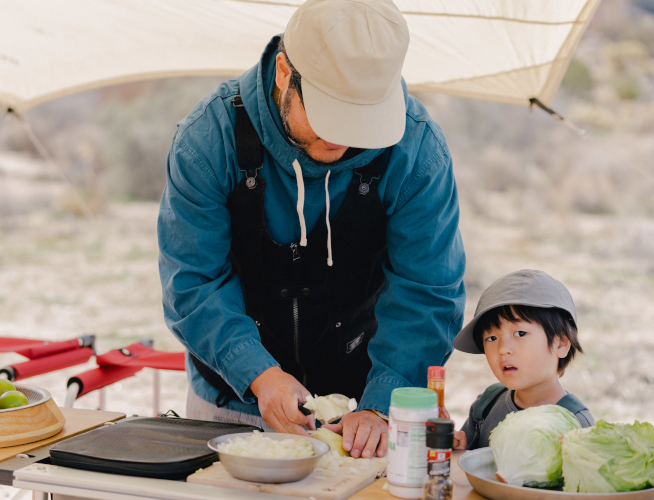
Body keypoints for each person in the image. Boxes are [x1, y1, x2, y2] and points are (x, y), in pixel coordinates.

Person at [158, 0, 466, 462]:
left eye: (360, 118)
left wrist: (384, 404)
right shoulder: (208, 139)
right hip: (235, 393)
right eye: (328, 114)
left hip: (370, 396)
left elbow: (427, 292)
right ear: (285, 72)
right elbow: (193, 281)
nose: (341, 138)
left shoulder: (417, 151)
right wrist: (257, 372)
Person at [452, 269, 595, 451]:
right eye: (491, 338)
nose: (503, 349)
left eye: (520, 333)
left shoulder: (578, 424)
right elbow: (469, 465)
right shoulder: (486, 405)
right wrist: (459, 449)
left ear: (561, 344)